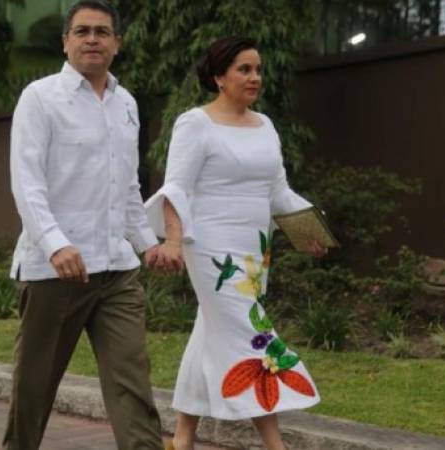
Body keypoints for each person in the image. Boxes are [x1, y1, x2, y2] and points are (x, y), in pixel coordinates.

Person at [3, 1, 172, 449]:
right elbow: (27, 183)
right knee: (33, 391)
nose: (92, 39)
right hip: (54, 272)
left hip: (116, 271)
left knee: (132, 387)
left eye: (102, 31)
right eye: (82, 31)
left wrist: (146, 241)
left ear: (117, 43)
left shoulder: (126, 103)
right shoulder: (40, 98)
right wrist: (56, 245)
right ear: (66, 42)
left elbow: (128, 186)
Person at [145, 37, 326, 450]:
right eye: (244, 69)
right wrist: (173, 240)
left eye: (258, 69)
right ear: (218, 77)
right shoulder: (195, 123)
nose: (255, 77)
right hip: (211, 248)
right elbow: (176, 186)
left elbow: (278, 191)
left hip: (255, 247)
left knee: (212, 329)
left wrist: (308, 229)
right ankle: (275, 445)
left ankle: (182, 438)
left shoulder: (265, 126)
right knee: (253, 333)